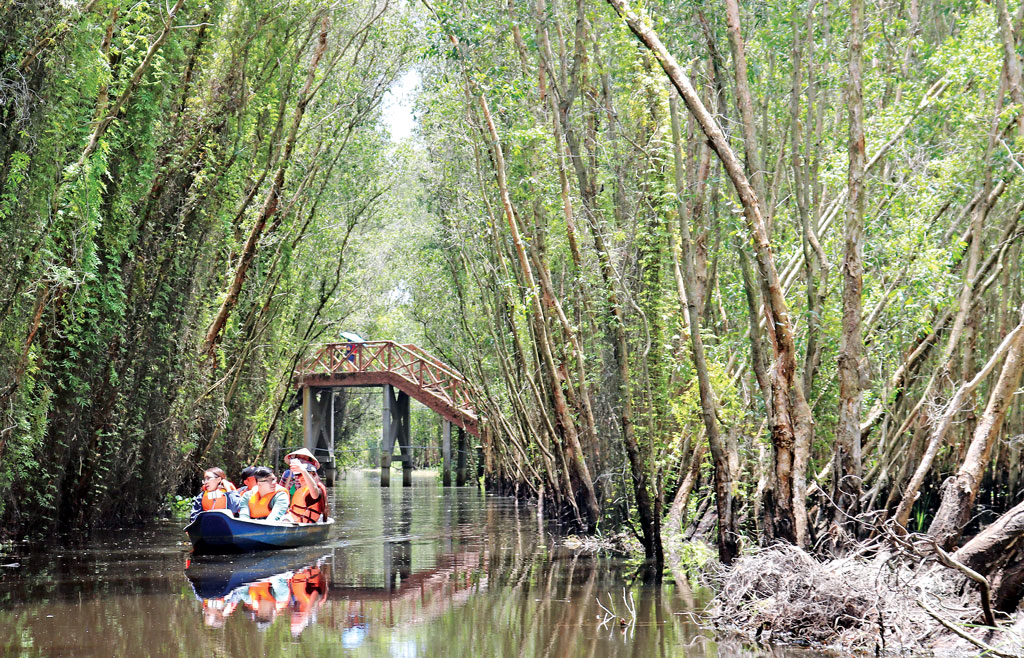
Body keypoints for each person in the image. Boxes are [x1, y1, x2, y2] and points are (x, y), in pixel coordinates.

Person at [281, 448, 329, 523]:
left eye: (304, 458)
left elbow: (314, 492)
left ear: (313, 474)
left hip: (307, 518)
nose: (301, 477)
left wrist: (303, 471)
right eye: (299, 475)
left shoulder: (315, 487)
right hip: (293, 514)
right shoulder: (288, 474)